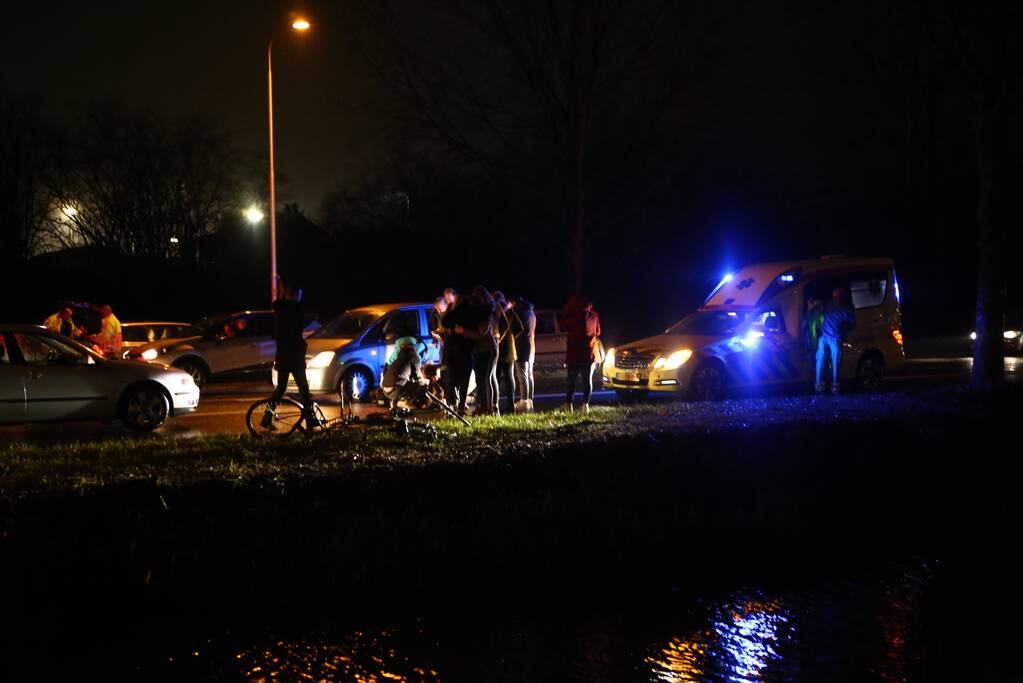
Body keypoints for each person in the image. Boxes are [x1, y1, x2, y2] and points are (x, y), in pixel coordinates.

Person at [264, 282, 315, 427]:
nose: (300, 297)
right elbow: (296, 332)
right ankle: (310, 419)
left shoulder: (280, 311)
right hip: (294, 355)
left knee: (281, 388)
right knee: (303, 389)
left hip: (283, 355)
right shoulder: (294, 311)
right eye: (298, 295)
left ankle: (267, 417)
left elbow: (278, 334)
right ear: (293, 295)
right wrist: (301, 345)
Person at [456, 286, 499, 415]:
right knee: (481, 379)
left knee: (486, 379)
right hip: (480, 350)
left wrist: (464, 331)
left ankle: (489, 408)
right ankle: (483, 406)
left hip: (488, 348)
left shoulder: (487, 312)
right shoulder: (480, 312)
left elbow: (482, 334)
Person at [562, 296, 601, 413]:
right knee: (587, 381)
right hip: (589, 354)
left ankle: (569, 405)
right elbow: (598, 331)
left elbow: (563, 325)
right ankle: (585, 405)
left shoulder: (573, 317)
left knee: (571, 381)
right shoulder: (594, 316)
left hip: (575, 354)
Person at [815, 287, 857, 394]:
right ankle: (829, 386)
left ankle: (827, 387)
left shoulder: (836, 307)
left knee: (829, 362)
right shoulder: (839, 307)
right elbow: (852, 324)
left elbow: (852, 324)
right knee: (830, 362)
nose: (836, 298)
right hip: (830, 338)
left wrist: (843, 331)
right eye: (835, 296)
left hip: (832, 338)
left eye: (837, 296)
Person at [441, 294, 474, 416]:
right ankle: (459, 405)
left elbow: (444, 322)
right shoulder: (469, 312)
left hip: (453, 349)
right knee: (463, 380)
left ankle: (453, 403)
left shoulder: (454, 313)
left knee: (453, 378)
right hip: (464, 350)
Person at [493, 291, 523, 414]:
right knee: (509, 377)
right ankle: (510, 405)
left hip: (499, 348)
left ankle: (496, 405)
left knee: (497, 378)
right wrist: (511, 338)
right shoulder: (510, 312)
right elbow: (520, 328)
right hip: (510, 349)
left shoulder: (497, 313)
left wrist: (502, 338)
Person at [381, 337, 429, 412]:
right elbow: (417, 377)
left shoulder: (398, 357)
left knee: (403, 382)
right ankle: (407, 403)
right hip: (396, 389)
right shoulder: (414, 356)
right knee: (423, 383)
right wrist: (427, 381)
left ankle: (394, 402)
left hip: (385, 390)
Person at [513, 296, 537, 410]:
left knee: (522, 375)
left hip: (521, 346)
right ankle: (530, 399)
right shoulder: (532, 313)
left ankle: (524, 400)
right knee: (529, 374)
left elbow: (516, 329)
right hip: (531, 346)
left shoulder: (520, 313)